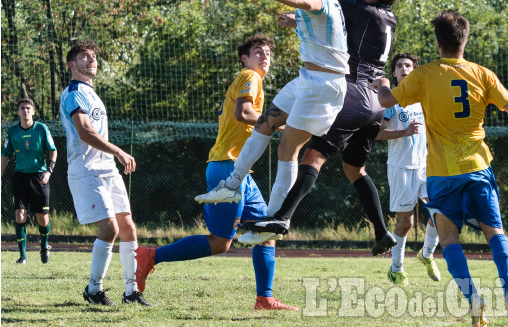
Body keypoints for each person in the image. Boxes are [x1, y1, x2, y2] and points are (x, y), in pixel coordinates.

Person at [238, 0, 411, 257]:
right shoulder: (387, 16)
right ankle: (381, 231)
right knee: (353, 169)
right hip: (377, 104)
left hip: (355, 95)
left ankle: (281, 218)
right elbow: (346, 1)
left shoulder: (364, 10)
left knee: (312, 156)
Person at [374, 10, 508, 327]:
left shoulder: (424, 74)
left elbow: (387, 101)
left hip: (442, 173)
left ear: (438, 42)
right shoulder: (482, 74)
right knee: (494, 232)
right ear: (465, 39)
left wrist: (381, 80)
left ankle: (473, 299)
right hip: (478, 167)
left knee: (448, 237)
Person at [135, 34, 298, 311]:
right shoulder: (250, 75)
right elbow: (243, 113)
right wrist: (280, 125)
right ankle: (150, 255)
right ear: (245, 58)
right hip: (227, 166)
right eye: (258, 51)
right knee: (221, 243)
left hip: (240, 170)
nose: (265, 55)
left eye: (268, 51)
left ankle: (265, 298)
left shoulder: (254, 80)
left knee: (266, 231)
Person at [194, 0, 348, 238]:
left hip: (324, 85)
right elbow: (312, 18)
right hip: (308, 79)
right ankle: (230, 186)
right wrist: (293, 21)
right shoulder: (318, 1)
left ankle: (273, 220)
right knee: (264, 123)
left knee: (287, 150)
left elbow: (308, 3)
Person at [60, 39, 149, 306]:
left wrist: (112, 157)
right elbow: (85, 132)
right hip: (86, 171)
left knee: (127, 227)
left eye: (93, 56)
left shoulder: (92, 93)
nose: (92, 60)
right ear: (71, 64)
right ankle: (94, 289)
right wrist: (118, 151)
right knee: (109, 228)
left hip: (107, 170)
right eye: (84, 56)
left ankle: (131, 291)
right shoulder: (74, 93)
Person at [375, 53, 441, 285]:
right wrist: (404, 132)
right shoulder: (390, 101)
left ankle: (427, 254)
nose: (404, 68)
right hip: (401, 167)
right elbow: (377, 133)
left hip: (427, 167)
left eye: (408, 65)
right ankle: (396, 268)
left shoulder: (424, 98)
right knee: (406, 224)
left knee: (440, 212)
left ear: (415, 70)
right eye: (399, 66)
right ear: (393, 73)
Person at [1, 98, 57, 264]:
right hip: (20, 177)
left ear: (33, 111)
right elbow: (5, 155)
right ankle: (22, 256)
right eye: (22, 108)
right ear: (18, 112)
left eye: (28, 108)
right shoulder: (12, 132)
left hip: (40, 177)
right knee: (20, 215)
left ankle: (44, 246)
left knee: (43, 219)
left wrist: (48, 172)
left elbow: (53, 151)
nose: (25, 111)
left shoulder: (41, 129)